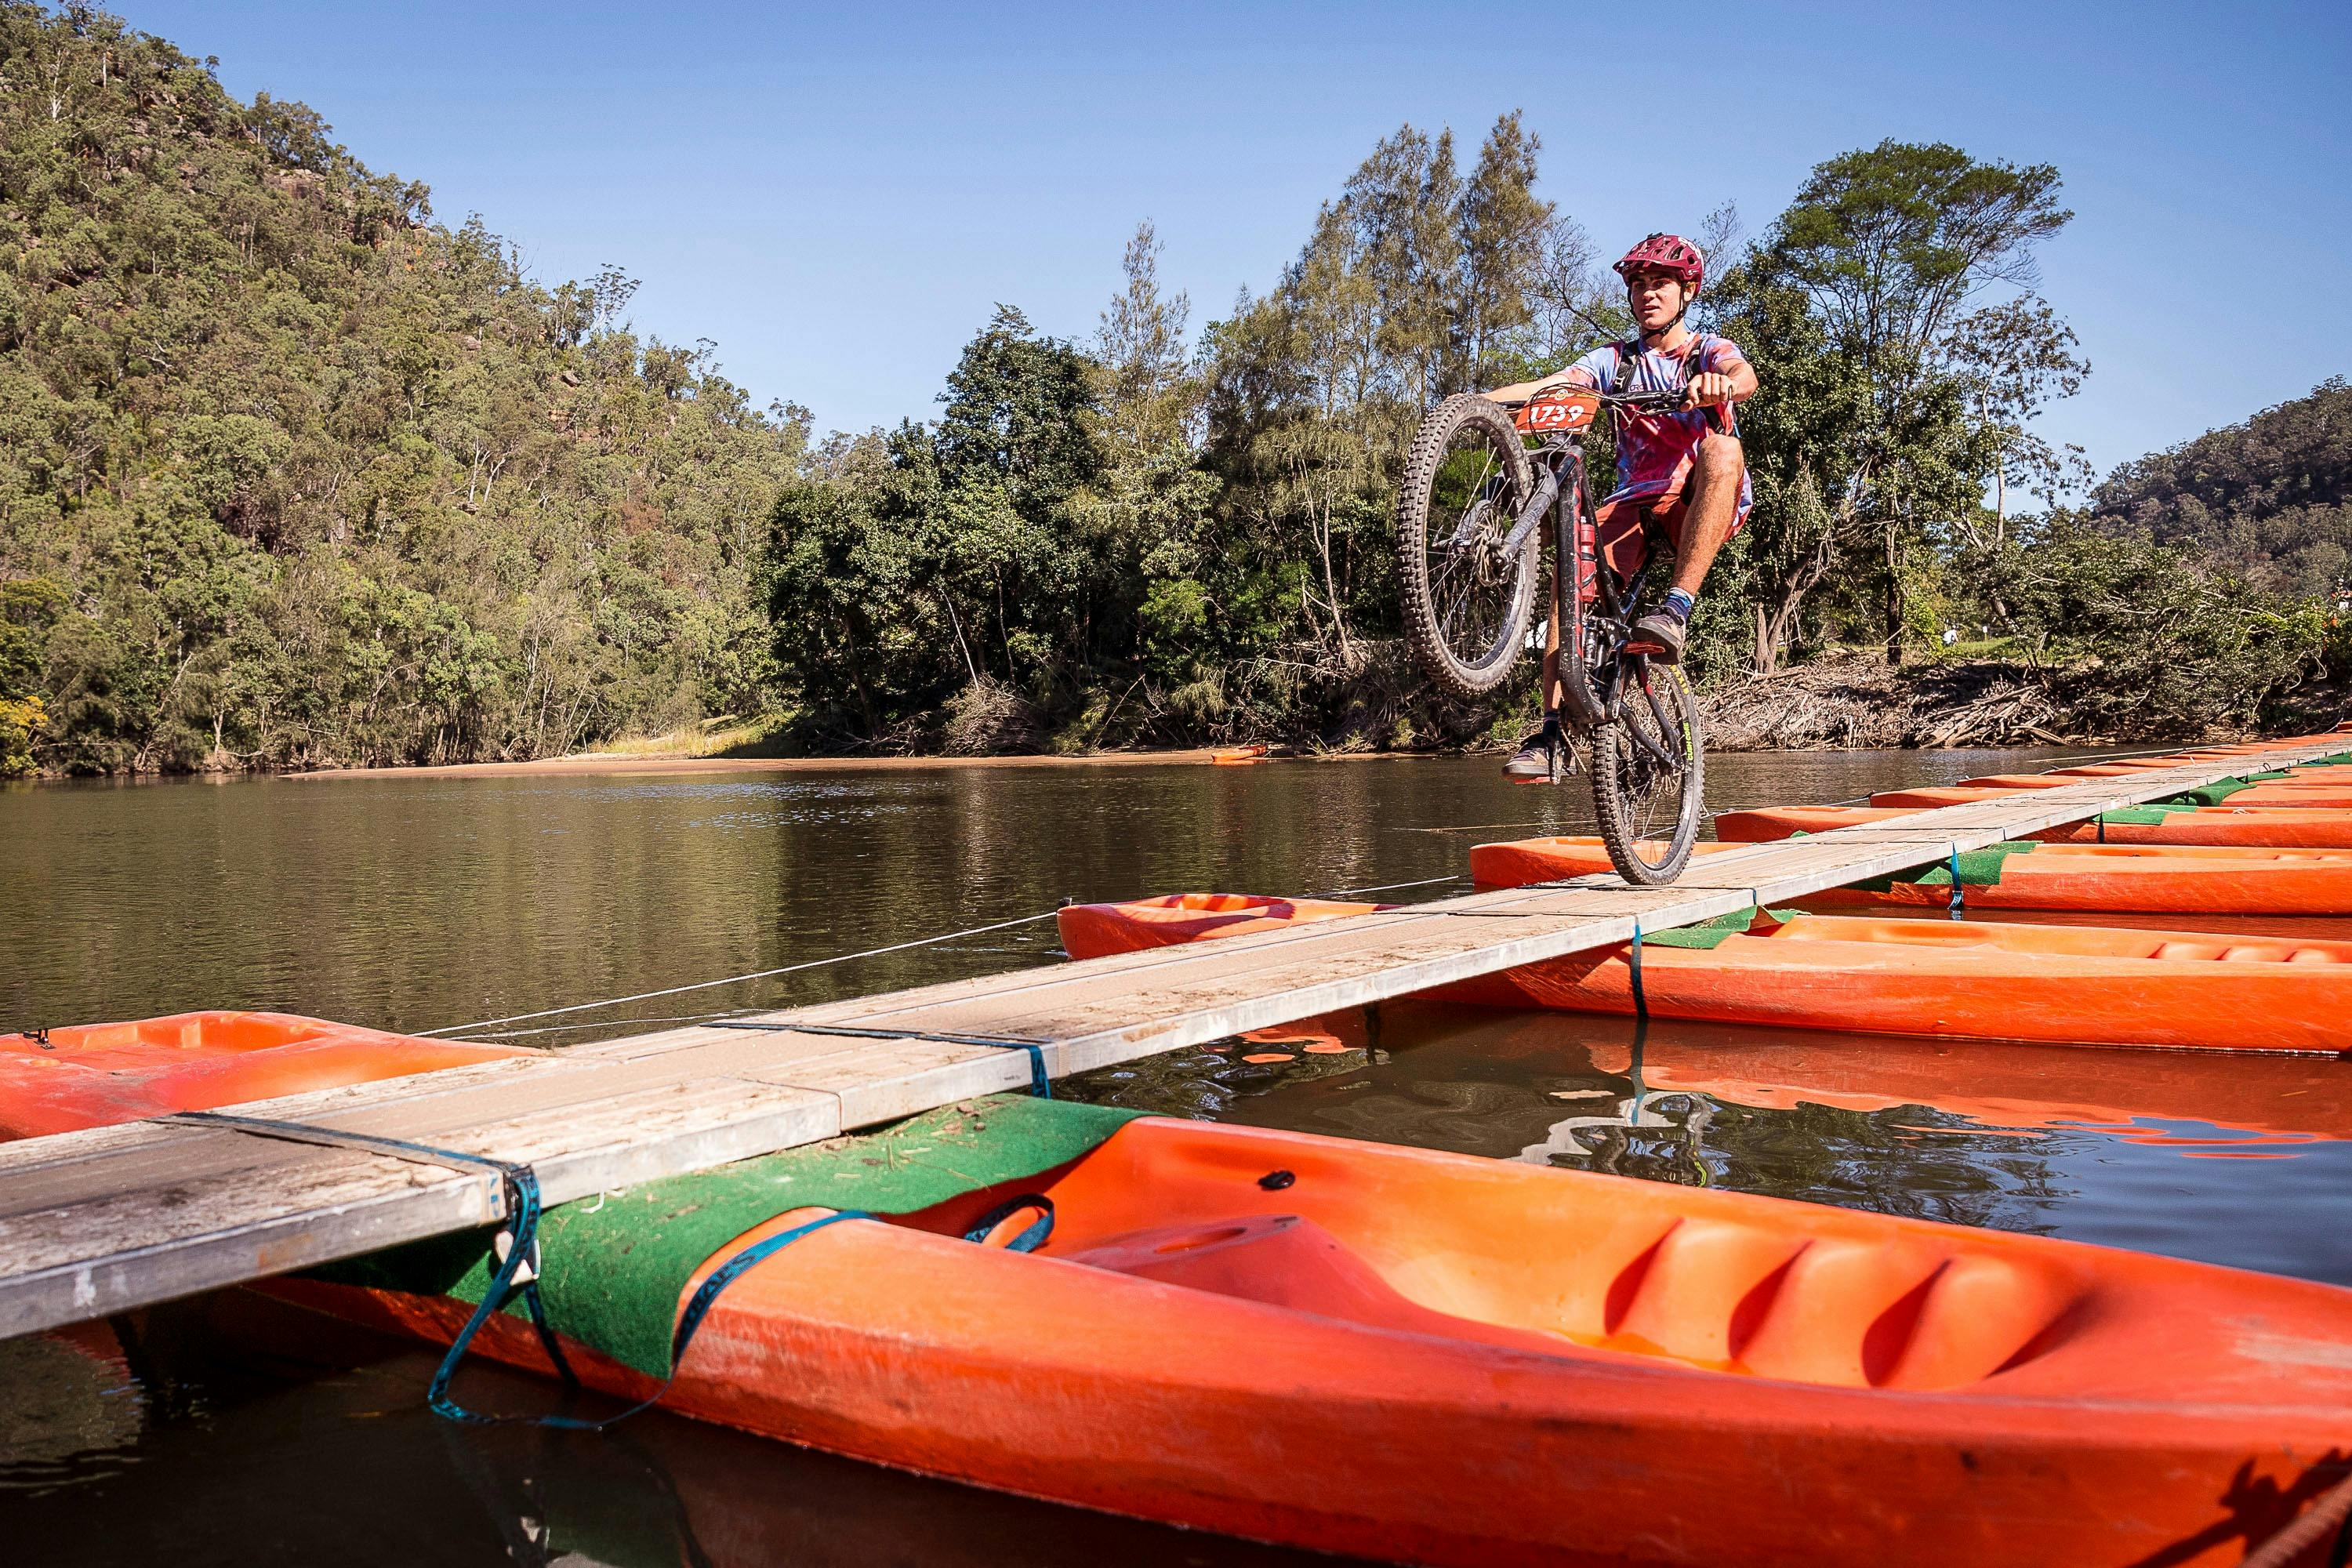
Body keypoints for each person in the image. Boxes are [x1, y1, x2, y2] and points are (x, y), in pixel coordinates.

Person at [1485, 232, 1759, 782]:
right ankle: (1553, 734)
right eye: (1638, 285)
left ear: (1687, 292)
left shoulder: (1706, 351)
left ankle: (1676, 610)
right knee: (1570, 577)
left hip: (1695, 500)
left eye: (1660, 284)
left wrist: (1717, 386)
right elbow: (1556, 385)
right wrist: (1475, 404)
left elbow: (1744, 377)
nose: (1647, 295)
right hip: (1633, 503)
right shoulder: (1615, 361)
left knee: (1725, 448)